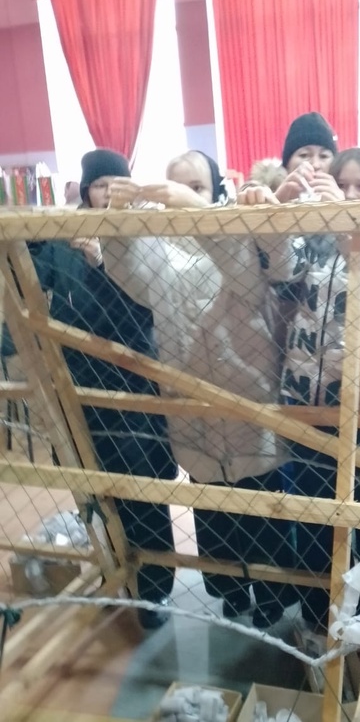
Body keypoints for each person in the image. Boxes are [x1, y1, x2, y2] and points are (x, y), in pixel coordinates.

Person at [104, 150, 298, 628]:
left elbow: (243, 278)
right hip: (190, 403)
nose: (181, 194)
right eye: (175, 185)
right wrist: (116, 222)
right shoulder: (159, 245)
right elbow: (128, 275)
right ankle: (230, 588)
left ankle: (271, 595)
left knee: (263, 507)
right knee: (212, 511)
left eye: (197, 186)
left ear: (215, 191)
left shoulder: (236, 232)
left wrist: (195, 208)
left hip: (248, 399)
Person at [240, 144, 360, 632]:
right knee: (317, 514)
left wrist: (351, 232)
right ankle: (321, 614)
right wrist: (279, 211)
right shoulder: (316, 238)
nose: (352, 194)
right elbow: (280, 272)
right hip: (307, 401)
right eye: (343, 185)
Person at [29, 149, 177, 630]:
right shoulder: (64, 235)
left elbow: (146, 313)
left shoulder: (142, 232)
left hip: (133, 381)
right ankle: (117, 572)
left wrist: (102, 261)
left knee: (143, 488)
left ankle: (154, 590)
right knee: (96, 488)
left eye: (117, 183)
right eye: (99, 185)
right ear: (86, 190)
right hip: (78, 384)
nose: (108, 192)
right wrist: (29, 239)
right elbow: (33, 283)